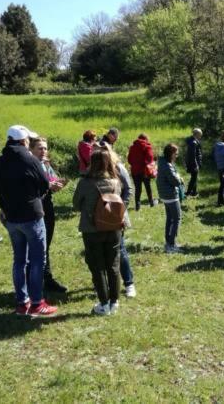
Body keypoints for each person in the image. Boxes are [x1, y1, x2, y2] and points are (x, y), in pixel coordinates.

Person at [0, 125, 57, 317]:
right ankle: (37, 303)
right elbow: (44, 183)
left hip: (11, 217)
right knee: (37, 260)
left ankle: (22, 302)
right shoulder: (29, 159)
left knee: (19, 261)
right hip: (32, 216)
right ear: (23, 141)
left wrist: (5, 206)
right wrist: (34, 197)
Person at [73, 149, 127, 315]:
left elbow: (76, 205)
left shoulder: (85, 183)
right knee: (113, 265)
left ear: (92, 163)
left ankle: (103, 304)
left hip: (92, 229)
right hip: (114, 228)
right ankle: (114, 301)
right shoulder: (116, 182)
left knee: (97, 266)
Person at [29, 137, 68, 293]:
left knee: (46, 245)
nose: (43, 151)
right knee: (37, 246)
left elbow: (51, 179)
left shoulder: (45, 164)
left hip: (47, 205)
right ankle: (36, 281)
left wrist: (57, 183)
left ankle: (47, 279)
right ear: (31, 149)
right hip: (35, 208)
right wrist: (48, 185)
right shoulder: (29, 164)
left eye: (45, 148)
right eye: (40, 148)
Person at [101, 143, 136, 298]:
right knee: (103, 251)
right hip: (100, 218)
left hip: (117, 216)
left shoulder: (119, 167)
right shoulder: (94, 170)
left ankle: (129, 283)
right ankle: (108, 283)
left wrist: (121, 208)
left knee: (119, 249)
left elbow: (129, 189)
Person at [157, 144, 183, 253]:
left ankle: (168, 242)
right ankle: (171, 245)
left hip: (165, 195)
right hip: (170, 196)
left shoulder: (162, 162)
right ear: (171, 154)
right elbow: (175, 181)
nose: (176, 156)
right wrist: (180, 178)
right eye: (176, 154)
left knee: (170, 219)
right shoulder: (167, 165)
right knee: (176, 218)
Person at [127, 133, 156, 210]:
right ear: (146, 139)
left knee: (138, 188)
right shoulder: (147, 146)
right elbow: (150, 158)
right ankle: (151, 202)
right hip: (144, 171)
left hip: (135, 171)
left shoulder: (132, 147)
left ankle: (137, 206)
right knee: (148, 187)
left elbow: (129, 160)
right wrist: (146, 164)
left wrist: (135, 164)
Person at [185, 128, 203, 197]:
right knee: (193, 178)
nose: (200, 136)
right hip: (193, 163)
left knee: (194, 177)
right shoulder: (193, 142)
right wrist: (196, 165)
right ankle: (188, 193)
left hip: (193, 163)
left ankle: (194, 192)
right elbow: (193, 155)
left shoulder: (193, 141)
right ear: (197, 134)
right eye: (200, 135)